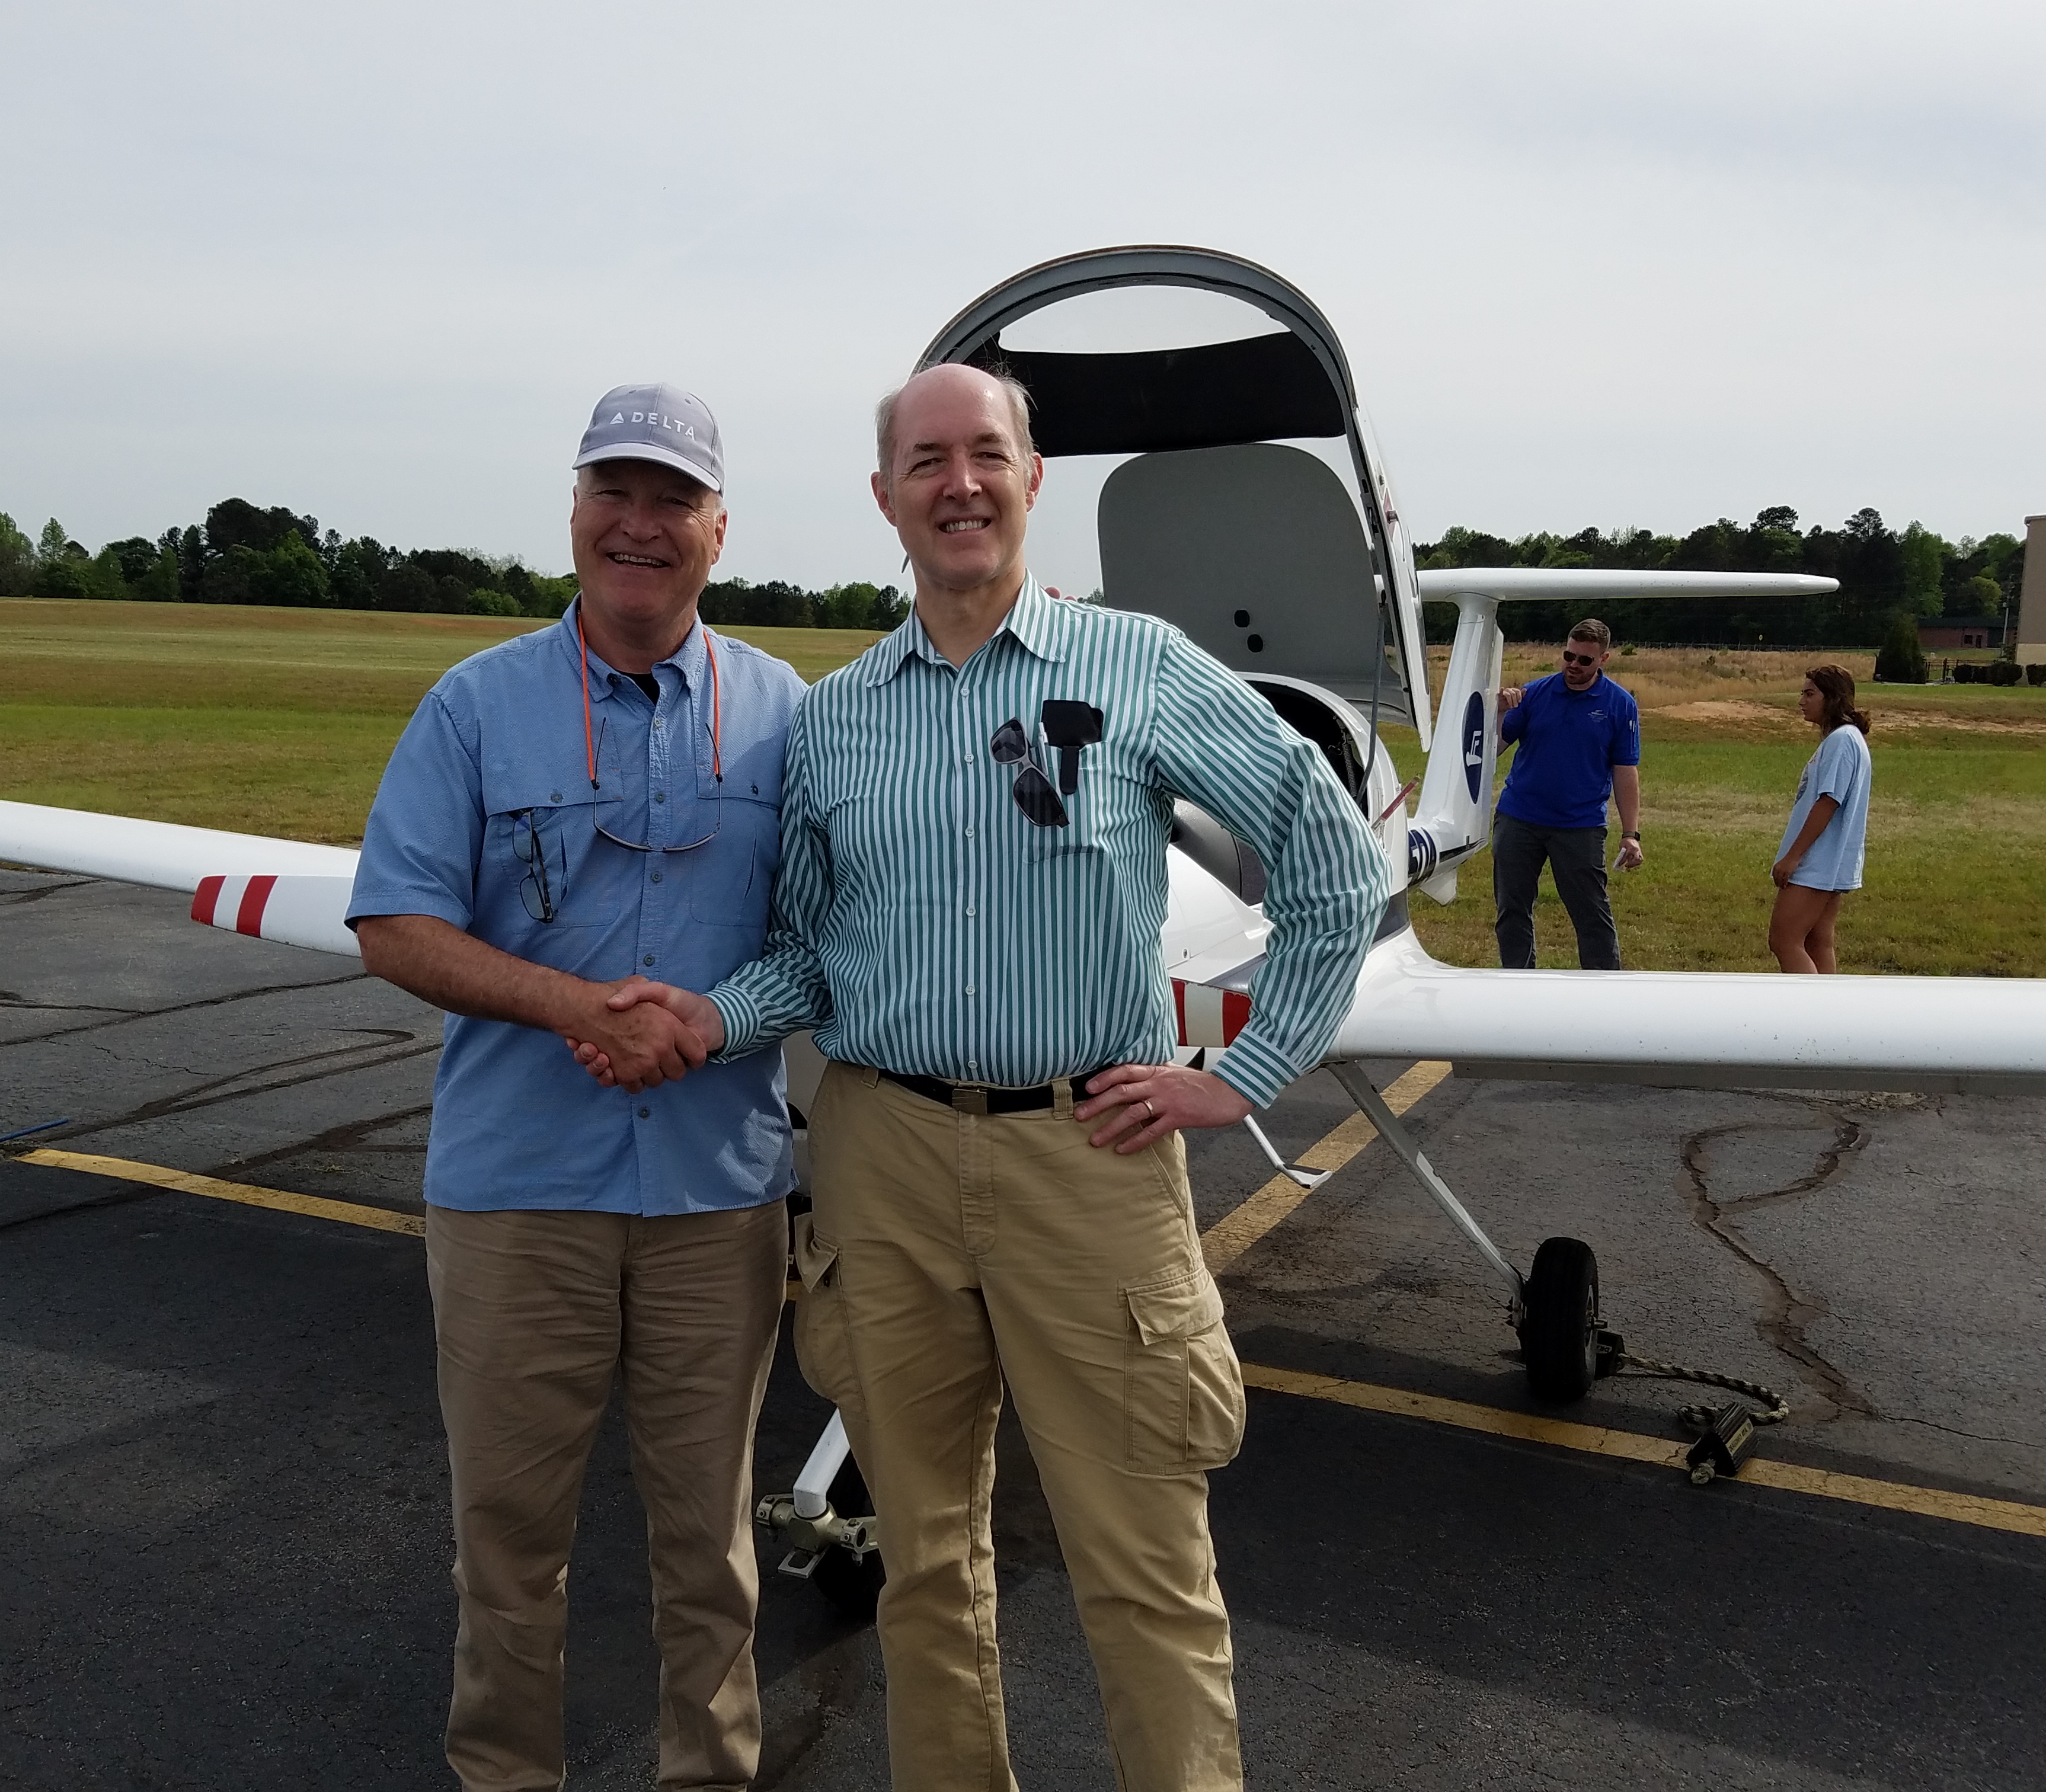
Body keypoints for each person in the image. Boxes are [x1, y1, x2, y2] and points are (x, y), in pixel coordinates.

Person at [593, 363, 1390, 1790]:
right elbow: (812, 962)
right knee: (923, 1562)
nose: (958, 482)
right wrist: (707, 1017)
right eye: (926, 460)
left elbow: (1329, 854)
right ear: (887, 497)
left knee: (1145, 1563)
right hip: (882, 1159)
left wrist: (1248, 1069)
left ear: (1032, 481)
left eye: (987, 454)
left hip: (1085, 1159)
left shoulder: (1137, 666)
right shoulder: (837, 723)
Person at [347, 383, 807, 1791]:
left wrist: (707, 1022)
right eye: (616, 489)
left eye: (674, 498)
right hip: (515, 1192)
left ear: (720, 531)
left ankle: (709, 1774)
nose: (640, 523)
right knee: (509, 1542)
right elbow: (394, 921)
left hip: (715, 1201)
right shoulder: (476, 706)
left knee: (709, 1546)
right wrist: (574, 1008)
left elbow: (824, 940)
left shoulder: (791, 715)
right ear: (573, 513)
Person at [1492, 619, 1642, 969]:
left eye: (1584, 660)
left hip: (1580, 826)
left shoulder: (1619, 705)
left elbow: (1625, 771)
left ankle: (1603, 991)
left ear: (1603, 659)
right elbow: (1492, 749)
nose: (1573, 665)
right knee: (1511, 910)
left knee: (1591, 912)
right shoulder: (1535, 694)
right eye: (1568, 656)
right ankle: (1518, 984)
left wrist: (1631, 834)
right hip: (1519, 819)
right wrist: (1497, 709)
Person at [1769, 663, 1872, 972]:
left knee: (1784, 941)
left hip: (1816, 862)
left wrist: (1793, 857)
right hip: (1829, 861)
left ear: (1833, 698)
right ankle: (1831, 1016)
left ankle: (1808, 1017)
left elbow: (1829, 801)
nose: (1802, 701)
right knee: (1817, 941)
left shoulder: (1842, 741)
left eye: (1810, 694)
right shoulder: (1847, 739)